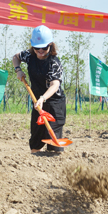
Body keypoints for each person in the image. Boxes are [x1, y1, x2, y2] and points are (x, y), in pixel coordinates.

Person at [13, 25, 67, 153]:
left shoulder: (53, 62)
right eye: (37, 48)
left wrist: (43, 98)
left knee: (53, 139)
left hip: (54, 102)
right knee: (36, 136)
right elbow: (16, 57)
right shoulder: (29, 55)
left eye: (44, 47)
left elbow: (55, 85)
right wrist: (18, 70)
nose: (40, 51)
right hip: (37, 100)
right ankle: (35, 165)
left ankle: (55, 162)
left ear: (50, 45)